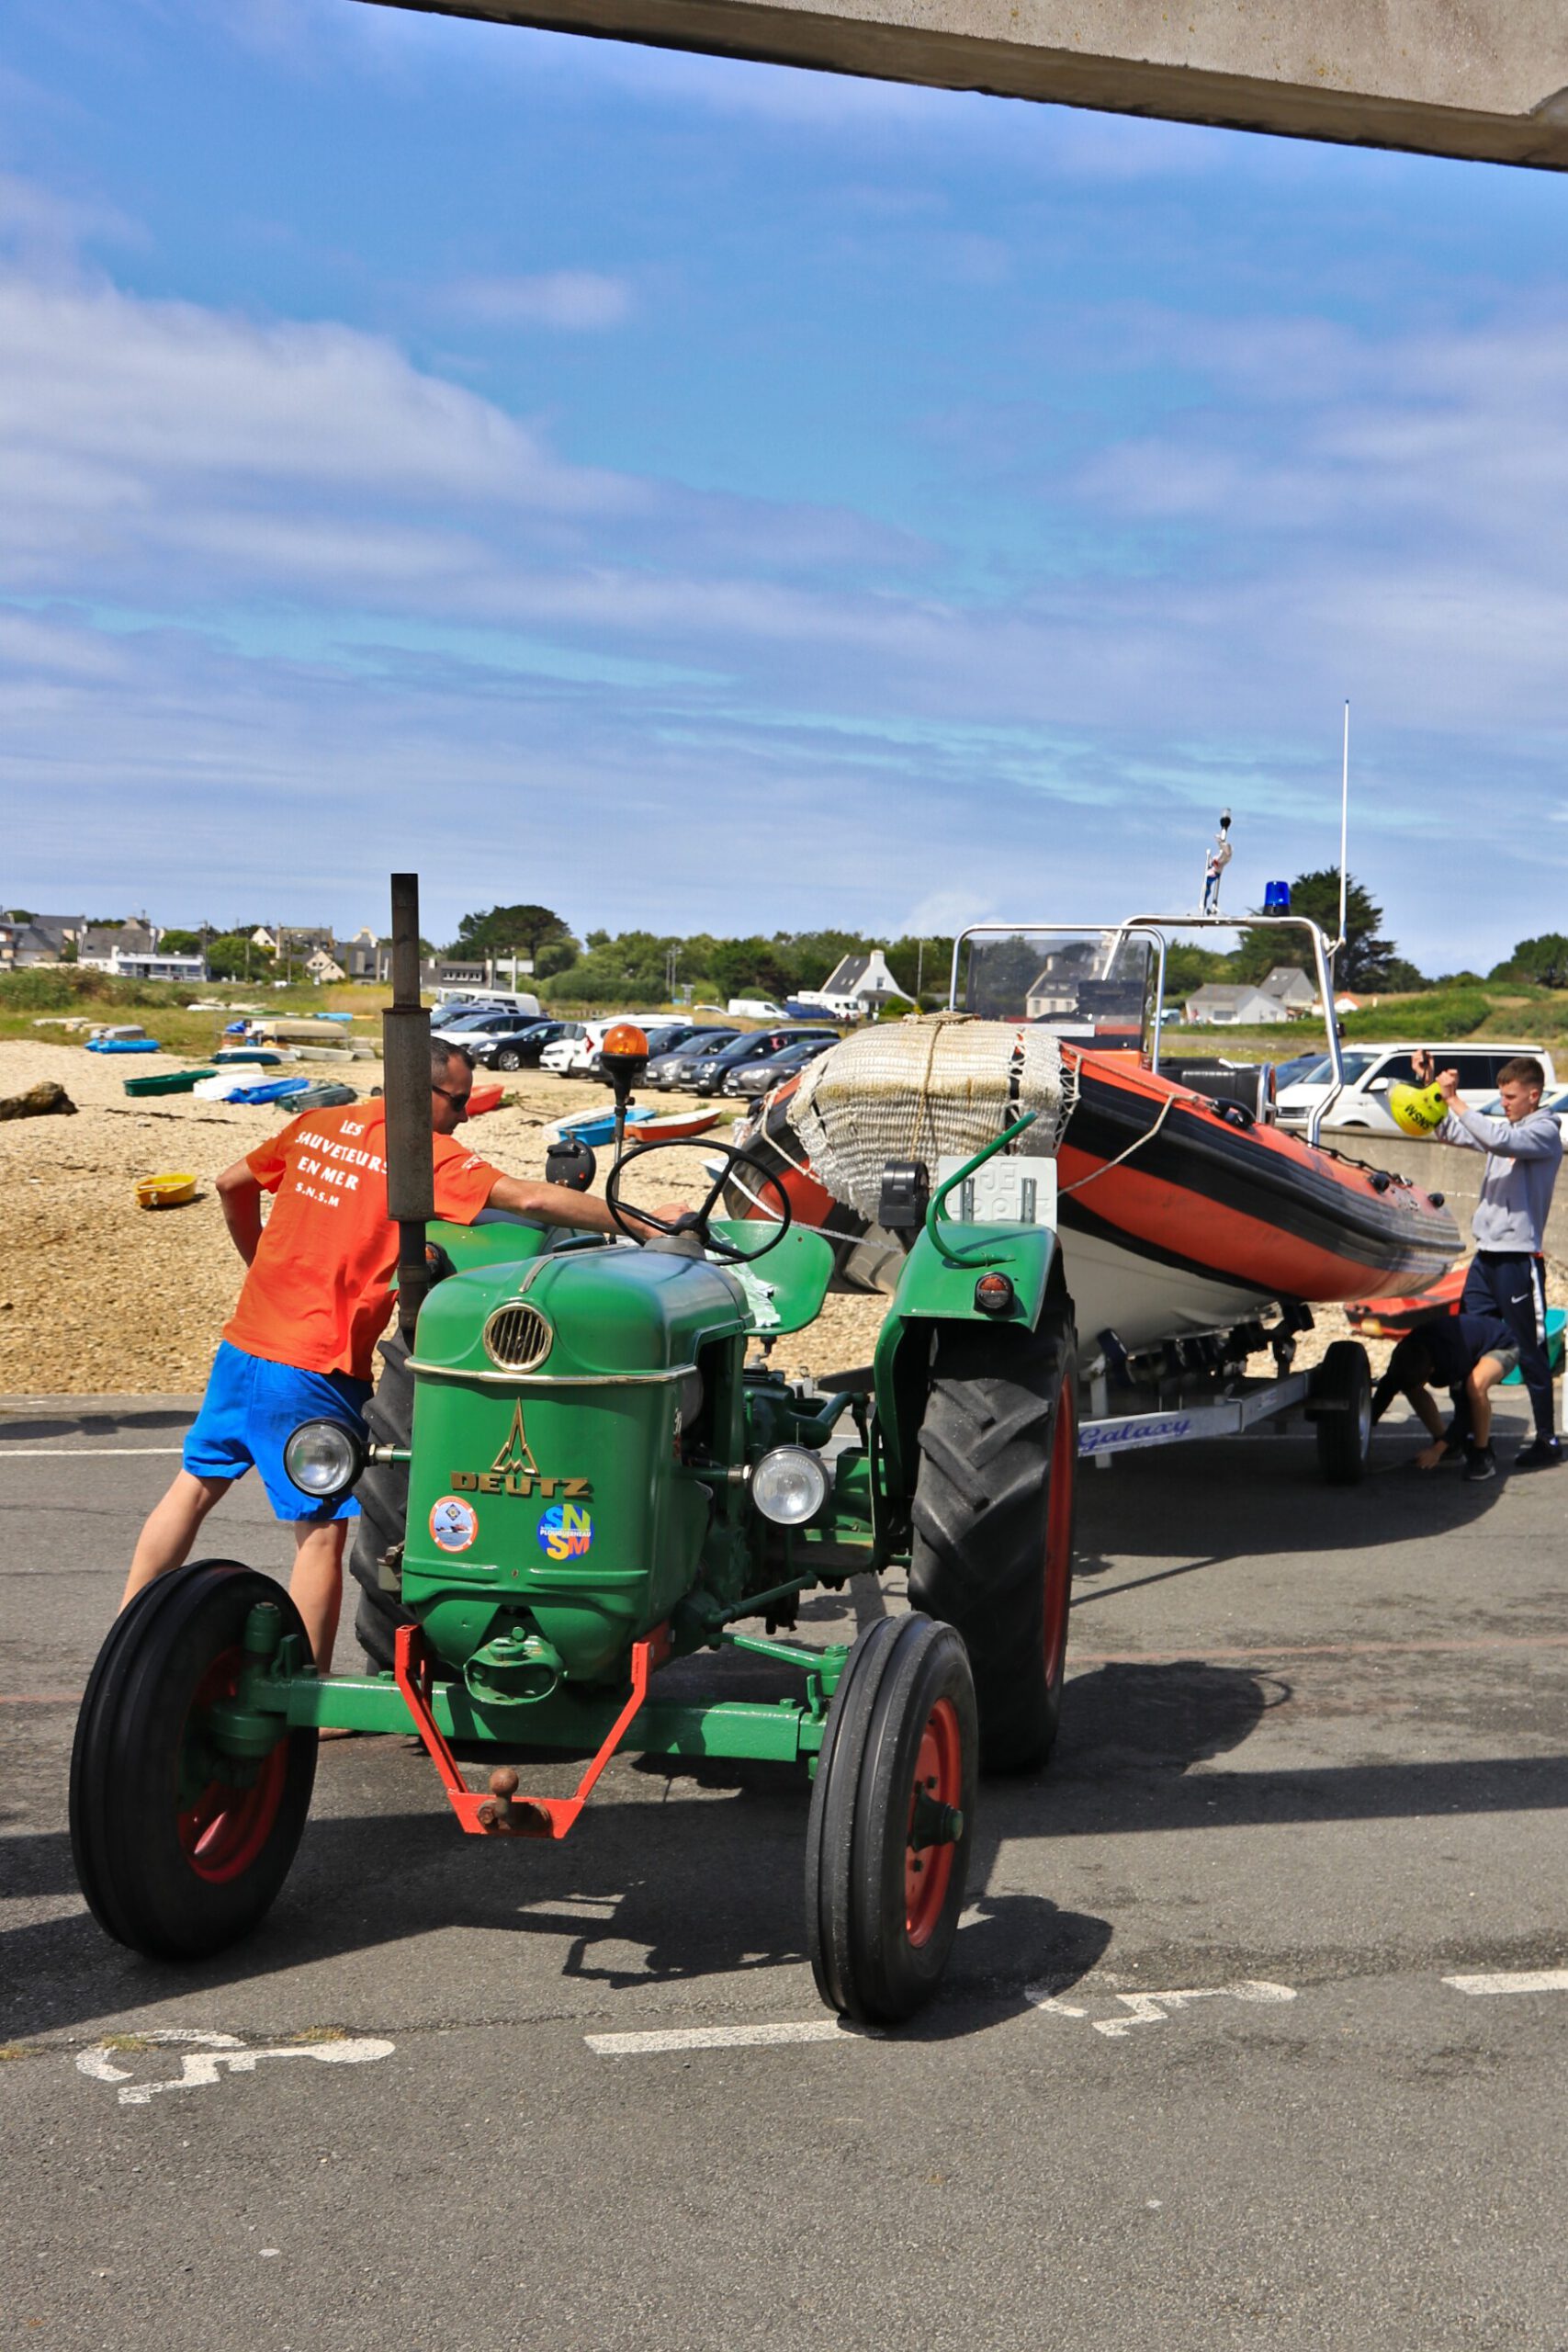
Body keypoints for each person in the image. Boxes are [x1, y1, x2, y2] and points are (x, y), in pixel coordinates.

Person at [119, 1042, 677, 1670]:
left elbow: (230, 1184)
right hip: (314, 1363)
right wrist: (643, 1223)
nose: (463, 1116)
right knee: (321, 1534)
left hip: (245, 1342)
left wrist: (259, 1264)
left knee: (193, 1488)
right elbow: (530, 1200)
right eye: (458, 1102)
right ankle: (310, 1689)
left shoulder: (316, 1123)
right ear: (420, 1091)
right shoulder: (420, 1157)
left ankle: (124, 1642)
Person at [1413, 1049, 1562, 1468]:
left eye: (1511, 1096)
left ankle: (1547, 1440)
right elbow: (1451, 1132)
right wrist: (1432, 1088)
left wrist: (1455, 1098)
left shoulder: (1543, 1132)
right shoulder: (1505, 1129)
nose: (1504, 1103)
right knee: (1465, 1347)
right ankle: (1469, 1437)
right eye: (1502, 1095)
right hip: (1486, 1259)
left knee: (1530, 1350)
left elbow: (1498, 1139)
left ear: (1533, 1095)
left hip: (1518, 1260)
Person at [1370, 1310, 1520, 1481]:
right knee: (1410, 1386)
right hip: (1461, 1344)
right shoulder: (1405, 1355)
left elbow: (1465, 1412)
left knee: (1475, 1387)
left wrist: (1436, 1450)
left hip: (1502, 1344)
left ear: (1431, 1371)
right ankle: (1450, 1447)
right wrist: (1368, 1422)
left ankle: (1482, 1455)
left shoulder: (1453, 1359)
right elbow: (1388, 1385)